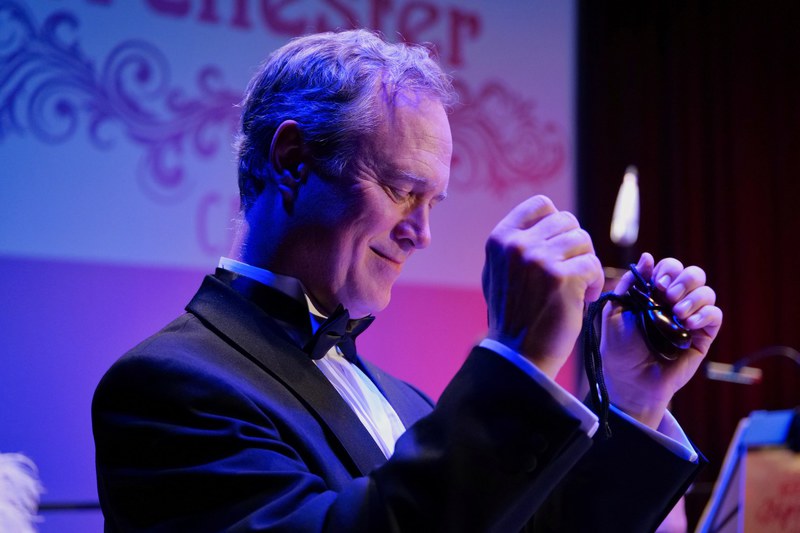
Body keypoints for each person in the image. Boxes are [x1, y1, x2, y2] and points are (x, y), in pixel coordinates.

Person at [93, 29, 722, 532]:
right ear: (292, 160)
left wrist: (634, 397)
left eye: (433, 203)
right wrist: (516, 361)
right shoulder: (167, 386)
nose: (421, 234)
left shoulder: (409, 403)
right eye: (400, 190)